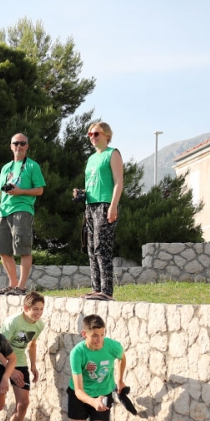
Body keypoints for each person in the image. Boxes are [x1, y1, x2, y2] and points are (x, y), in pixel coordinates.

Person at [64, 314, 126, 421]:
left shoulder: (112, 346)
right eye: (95, 336)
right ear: (84, 334)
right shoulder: (78, 353)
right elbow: (78, 391)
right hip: (80, 396)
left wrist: (120, 380)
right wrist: (93, 402)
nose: (99, 340)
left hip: (103, 394)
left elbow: (122, 357)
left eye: (102, 334)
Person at [0, 132, 47, 296]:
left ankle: (21, 287)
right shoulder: (6, 167)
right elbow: (0, 190)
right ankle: (12, 284)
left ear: (27, 146)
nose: (18, 146)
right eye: (16, 143)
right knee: (3, 250)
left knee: (23, 249)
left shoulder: (32, 166)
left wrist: (20, 191)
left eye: (22, 143)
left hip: (22, 210)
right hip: (4, 211)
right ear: (11, 146)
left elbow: (40, 190)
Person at [79, 122, 124, 301]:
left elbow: (118, 181)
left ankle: (106, 291)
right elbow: (93, 182)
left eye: (96, 134)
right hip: (90, 205)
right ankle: (96, 288)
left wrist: (113, 206)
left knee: (101, 247)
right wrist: (81, 193)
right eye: (90, 134)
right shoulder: (91, 158)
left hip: (105, 205)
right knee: (91, 247)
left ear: (106, 135)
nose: (92, 137)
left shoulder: (112, 153)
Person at [0, 292, 45, 421]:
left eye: (41, 309)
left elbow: (32, 345)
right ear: (26, 308)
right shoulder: (13, 322)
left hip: (20, 363)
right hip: (0, 362)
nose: (38, 313)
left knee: (23, 403)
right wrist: (10, 369)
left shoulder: (39, 325)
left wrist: (33, 365)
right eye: (35, 309)